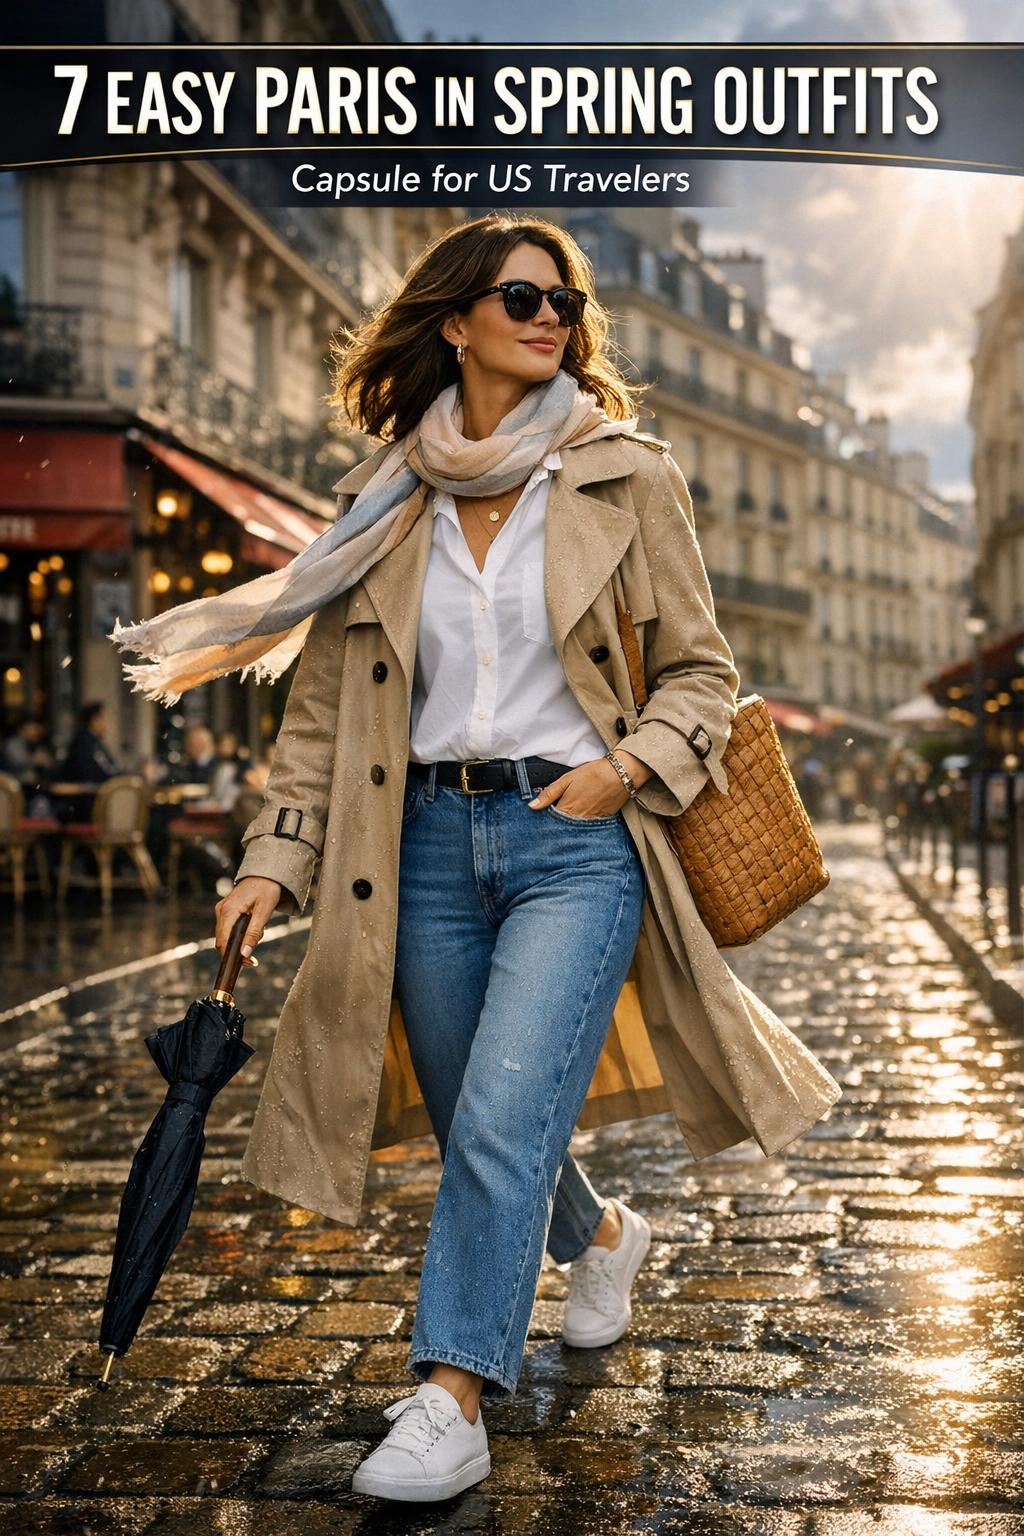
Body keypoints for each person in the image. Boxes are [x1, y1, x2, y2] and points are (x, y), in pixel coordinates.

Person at [111, 212, 841, 1504]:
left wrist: (622, 772)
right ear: (456, 321)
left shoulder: (626, 474)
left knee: (504, 1109)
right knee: (476, 1120)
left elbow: (702, 676)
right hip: (425, 848)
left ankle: (450, 1393)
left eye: (561, 299)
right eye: (518, 295)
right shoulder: (383, 504)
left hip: (577, 840)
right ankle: (604, 1236)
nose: (548, 315)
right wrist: (271, 861)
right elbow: (325, 715)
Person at [58, 701, 119, 784]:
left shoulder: (93, 742)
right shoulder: (84, 743)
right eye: (105, 718)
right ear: (95, 720)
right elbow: (100, 772)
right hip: (84, 794)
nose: (107, 723)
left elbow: (110, 769)